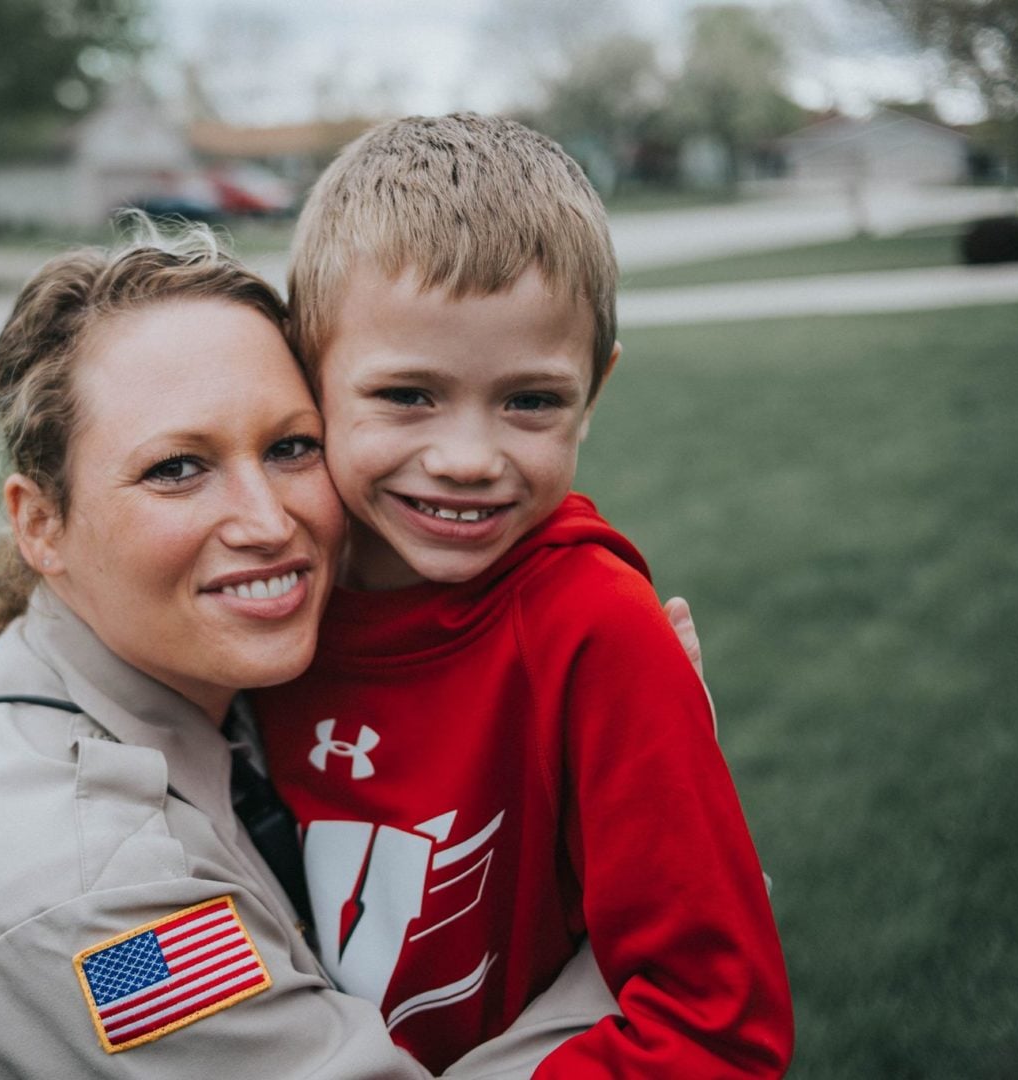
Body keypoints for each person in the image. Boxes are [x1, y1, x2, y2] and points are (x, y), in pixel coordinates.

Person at [0, 228, 625, 1078]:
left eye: (289, 447)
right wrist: (656, 875)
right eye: (176, 468)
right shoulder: (99, 906)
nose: (269, 522)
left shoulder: (197, 687)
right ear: (40, 525)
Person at [253, 113, 795, 1074]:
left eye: (531, 401)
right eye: (407, 395)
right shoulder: (255, 597)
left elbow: (716, 1020)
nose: (467, 460)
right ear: (308, 372)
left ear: (594, 389)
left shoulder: (595, 630)